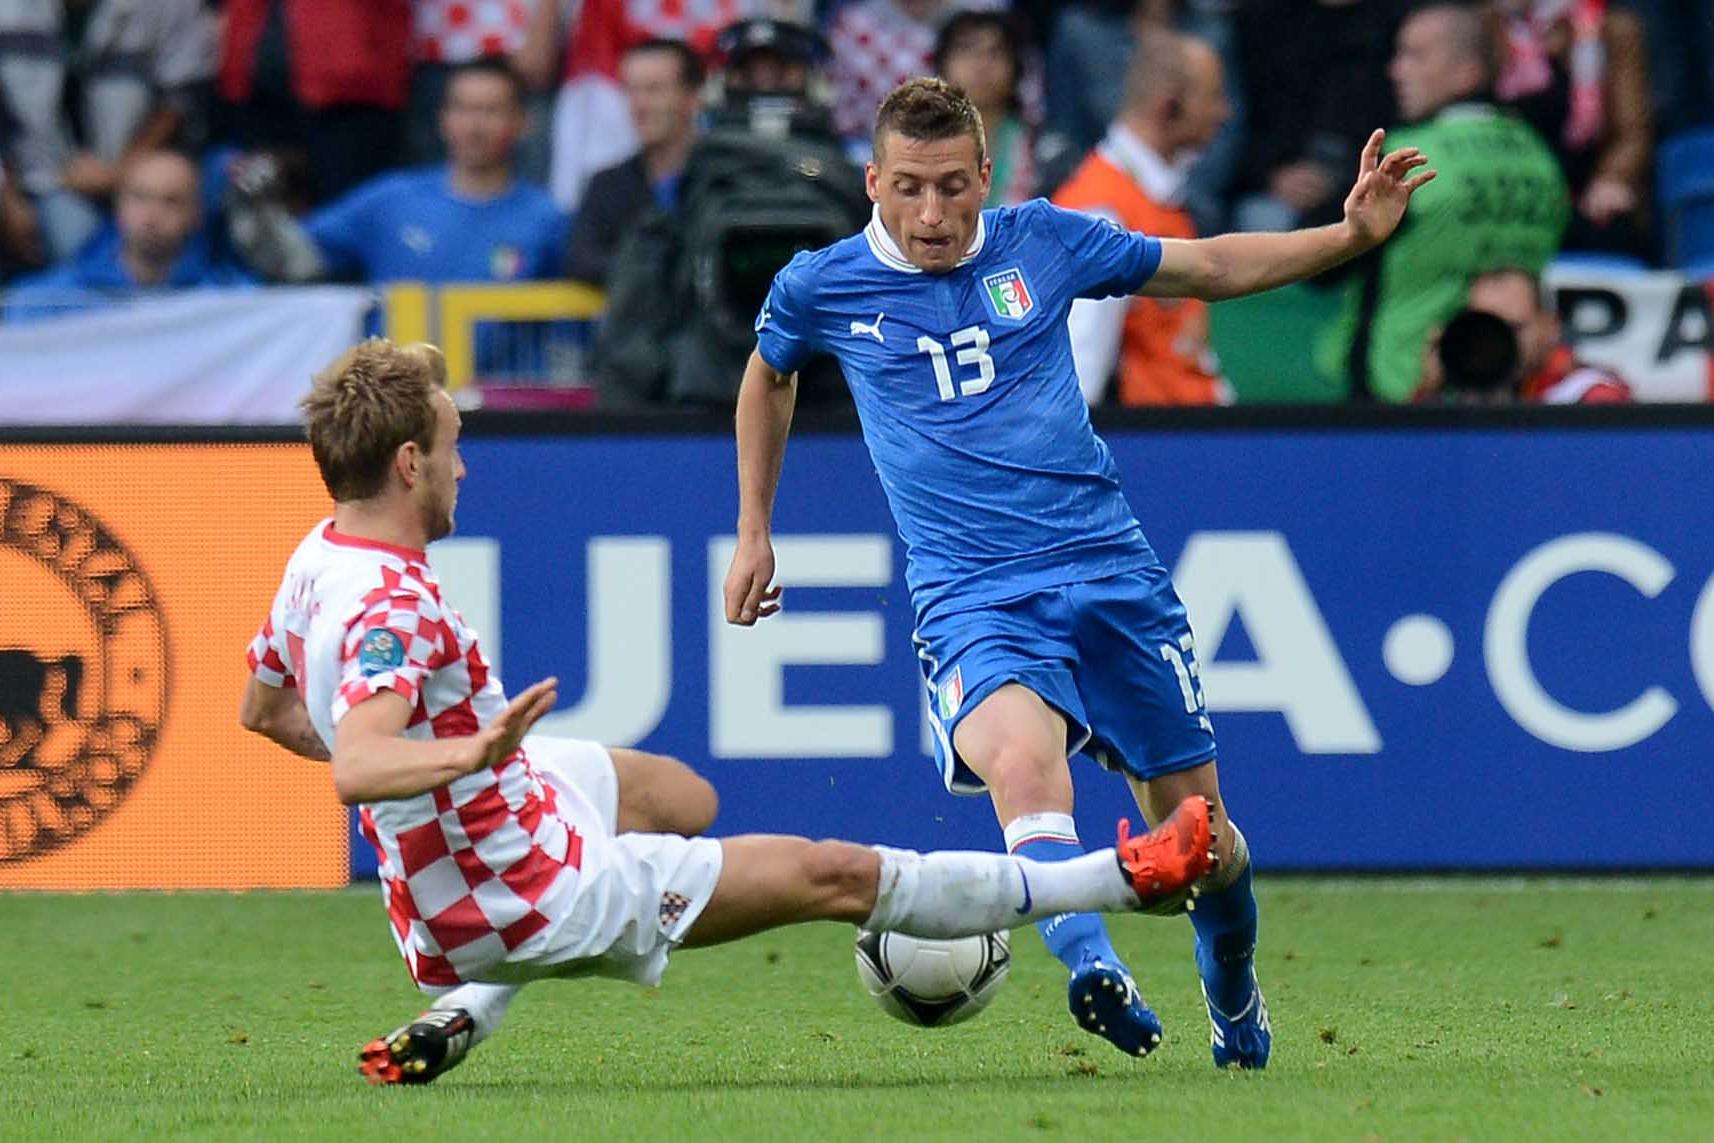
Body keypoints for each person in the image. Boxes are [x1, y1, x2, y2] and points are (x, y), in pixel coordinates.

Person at [237, 337, 1216, 1085]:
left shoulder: (319, 557)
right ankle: (1118, 880)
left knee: (679, 796)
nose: (465, 467)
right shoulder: (391, 606)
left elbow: (267, 710)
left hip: (499, 824)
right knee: (831, 875)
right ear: (409, 462)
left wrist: (467, 769)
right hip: (525, 889)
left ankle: (461, 1013)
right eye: (454, 447)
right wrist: (464, 757)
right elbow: (359, 767)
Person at [725, 76, 1434, 1068]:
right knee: (1023, 770)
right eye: (908, 190)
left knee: (1200, 845)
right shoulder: (821, 285)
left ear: (984, 175)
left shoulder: (1045, 241)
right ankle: (1093, 968)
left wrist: (1348, 238)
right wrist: (754, 527)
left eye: (951, 188)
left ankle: (1230, 986)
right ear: (872, 183)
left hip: (1109, 574)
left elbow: (1211, 266)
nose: (931, 214)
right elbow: (769, 372)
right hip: (972, 596)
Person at [1315, 3, 1569, 402]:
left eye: (1415, 56)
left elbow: (1320, 264)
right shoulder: (1540, 158)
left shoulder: (1406, 160)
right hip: (1509, 389)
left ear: (1467, 70)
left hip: (1398, 388)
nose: (1395, 70)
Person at [227, 58, 566, 287]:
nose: (475, 125)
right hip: (399, 392)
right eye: (462, 108)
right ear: (442, 119)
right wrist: (252, 207)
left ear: (523, 124)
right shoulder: (391, 199)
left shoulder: (547, 218)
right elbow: (292, 259)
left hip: (502, 393)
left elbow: (567, 329)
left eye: (491, 110)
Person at [1054, 29, 1232, 406]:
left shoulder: (1160, 199)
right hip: (1153, 446)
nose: (1224, 112)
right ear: (1168, 105)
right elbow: (1079, 376)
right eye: (1212, 97)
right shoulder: (1100, 214)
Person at [0, 0, 215, 260]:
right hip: (29, 177)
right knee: (75, 237)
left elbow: (182, 98)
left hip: (143, 168)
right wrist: (7, 196)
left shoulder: (170, 6)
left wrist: (122, 171)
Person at [4, 150, 250, 323]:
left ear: (196, 216)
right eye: (140, 197)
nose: (152, 215)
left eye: (171, 201)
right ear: (118, 206)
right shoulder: (44, 302)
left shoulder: (232, 303)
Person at [1230, 0, 1409, 233]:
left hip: (1375, 178)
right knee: (1261, 219)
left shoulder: (1401, 19)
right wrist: (1270, 175)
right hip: (1277, 186)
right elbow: (1233, 126)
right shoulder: (1261, 20)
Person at [1493, 0, 1653, 258]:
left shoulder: (1612, 30)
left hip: (1586, 187)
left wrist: (1612, 178)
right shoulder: (1485, 26)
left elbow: (1633, 132)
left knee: (1612, 227)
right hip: (1512, 186)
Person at [567, 39, 705, 286]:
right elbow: (583, 260)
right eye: (631, 90)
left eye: (654, 90)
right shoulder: (607, 185)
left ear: (693, 97)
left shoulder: (724, 179)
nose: (640, 105)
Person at [1418, 266, 1633, 404]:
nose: (1495, 343)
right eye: (1485, 330)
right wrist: (1430, 393)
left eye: (1513, 328)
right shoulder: (1459, 396)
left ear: (1551, 327)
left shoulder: (1587, 394)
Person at [933, 11, 1036, 207]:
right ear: (942, 64)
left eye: (995, 53)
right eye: (966, 51)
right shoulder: (916, 142)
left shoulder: (1041, 147)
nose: (981, 65)